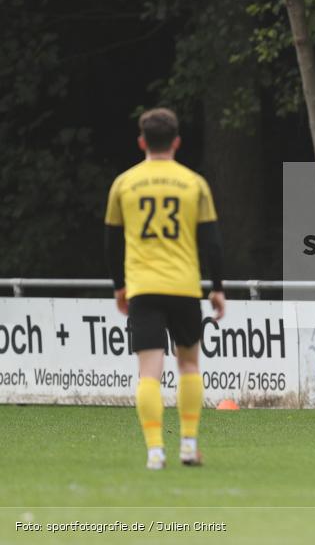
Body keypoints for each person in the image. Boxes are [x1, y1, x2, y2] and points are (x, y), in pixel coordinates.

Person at [104, 108, 226, 470]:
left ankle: (156, 450)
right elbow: (213, 243)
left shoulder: (124, 183)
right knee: (189, 364)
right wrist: (217, 287)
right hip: (184, 287)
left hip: (143, 288)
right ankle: (188, 445)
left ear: (142, 141)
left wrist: (119, 287)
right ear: (176, 142)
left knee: (148, 372)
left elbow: (111, 244)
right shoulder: (194, 183)